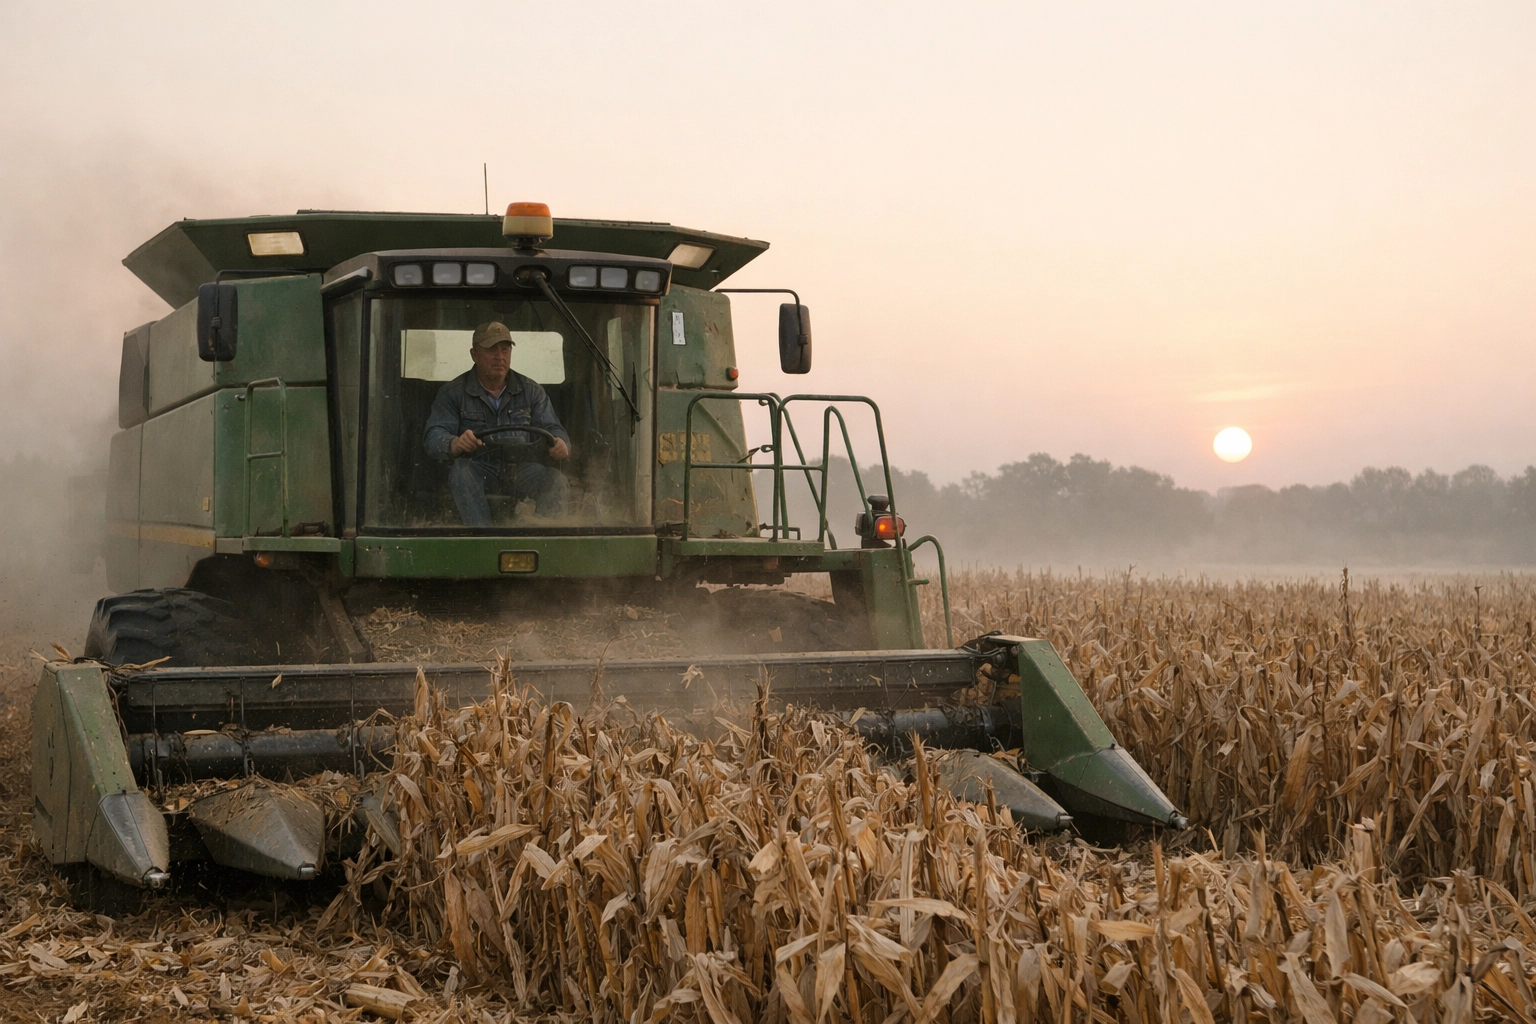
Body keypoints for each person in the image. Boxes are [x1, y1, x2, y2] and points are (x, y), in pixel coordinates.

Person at [423, 321, 570, 525]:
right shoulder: (452, 393)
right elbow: (433, 436)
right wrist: (454, 443)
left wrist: (561, 442)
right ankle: (482, 537)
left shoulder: (533, 392)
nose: (499, 356)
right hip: (478, 470)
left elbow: (553, 429)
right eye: (491, 349)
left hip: (522, 470)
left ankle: (539, 536)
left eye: (505, 349)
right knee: (461, 471)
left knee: (556, 481)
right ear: (474, 354)